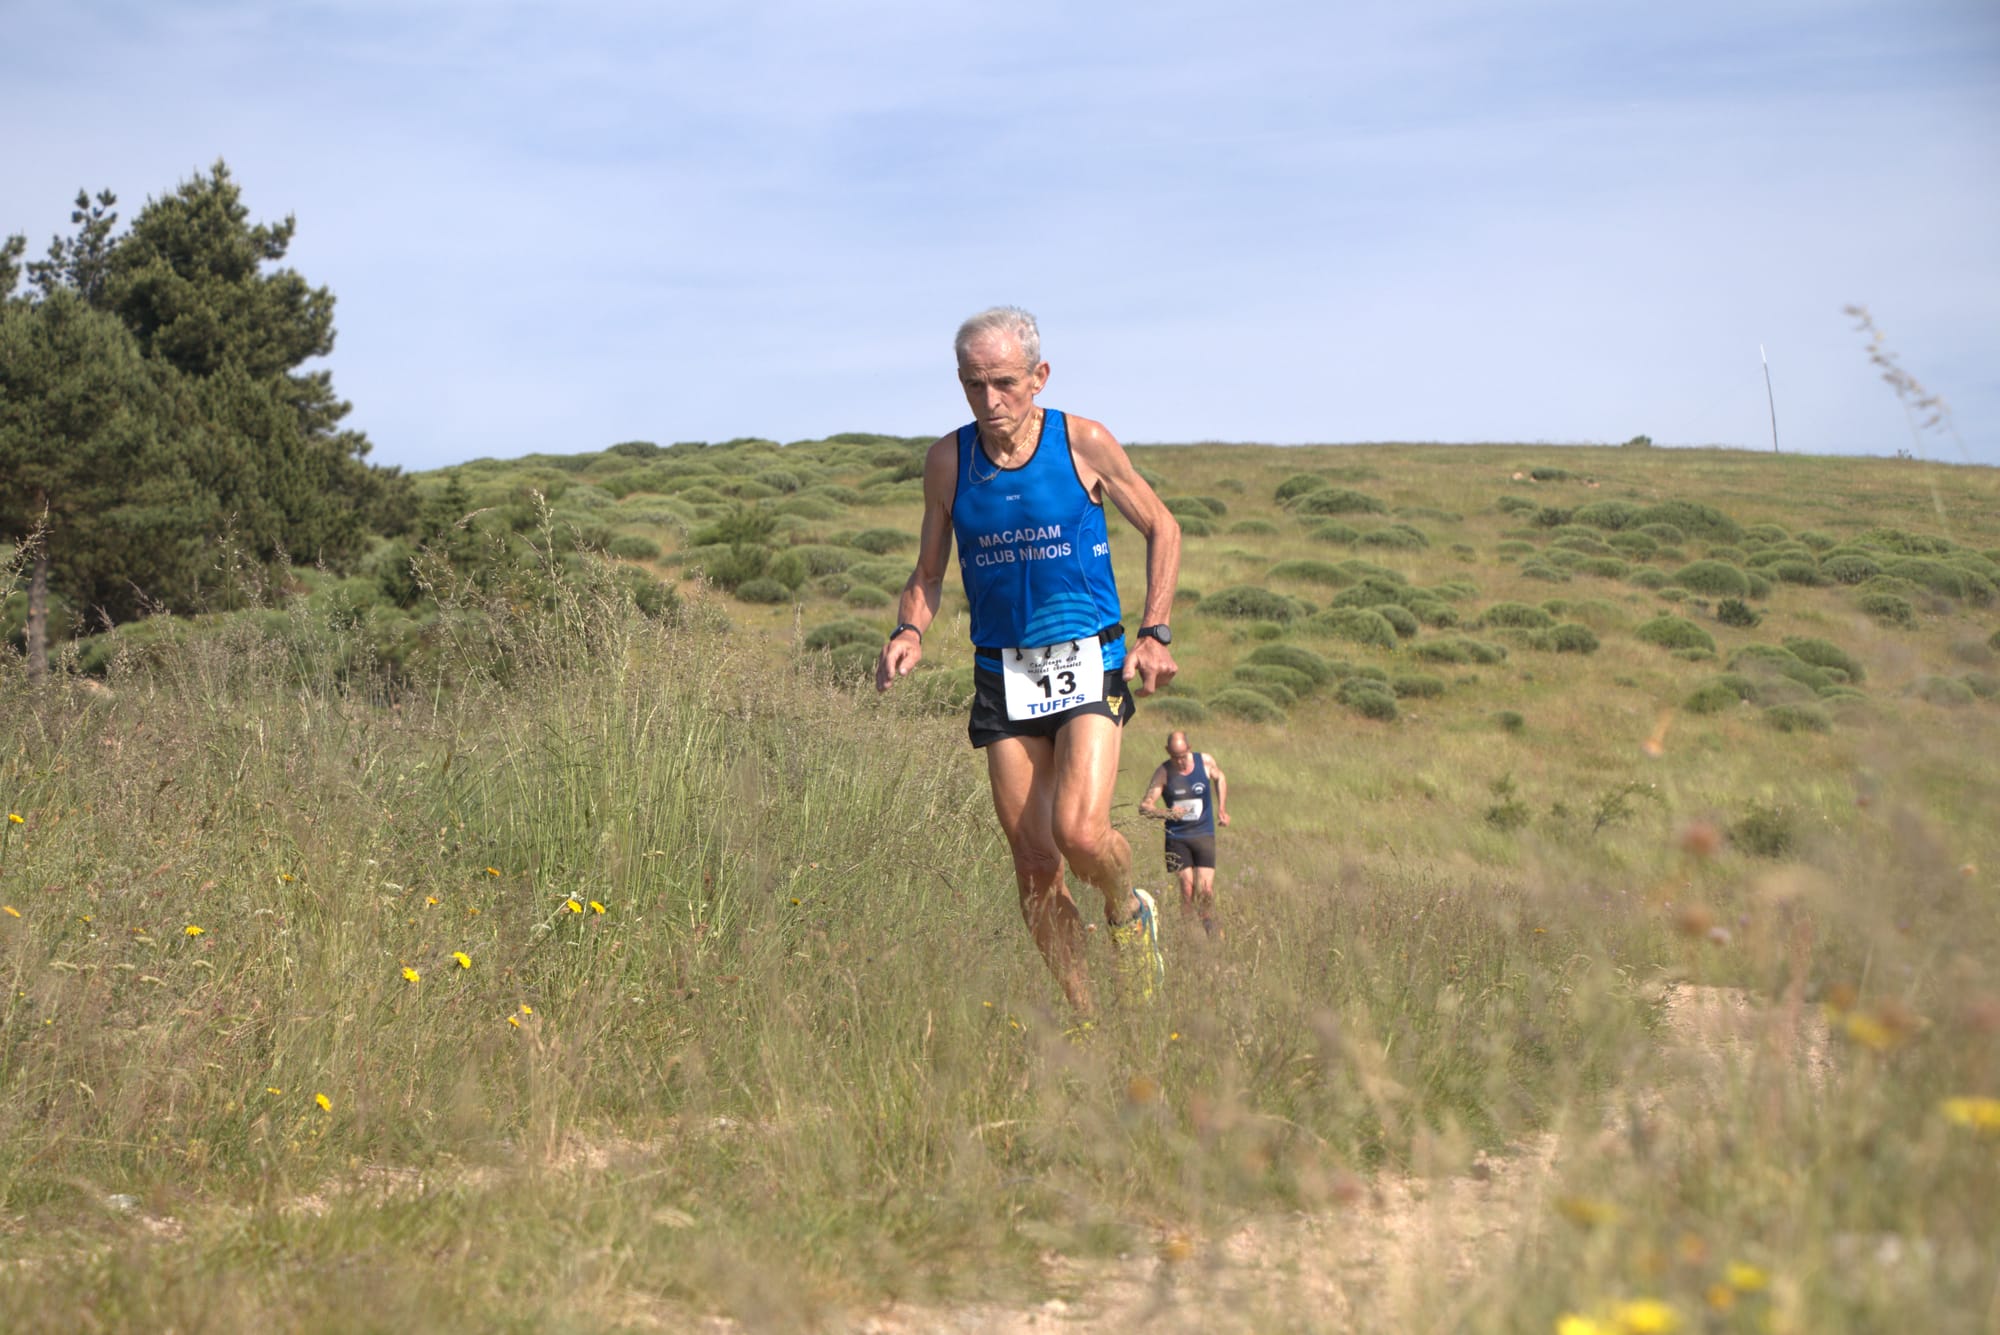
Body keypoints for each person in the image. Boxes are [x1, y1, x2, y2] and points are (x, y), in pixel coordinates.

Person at [875, 306, 1182, 1014]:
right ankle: (1086, 1016)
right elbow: (927, 573)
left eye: (1005, 383)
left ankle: (1125, 907)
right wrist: (910, 631)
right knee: (1037, 866)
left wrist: (1155, 631)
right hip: (1002, 671)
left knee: (1079, 832)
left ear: (1039, 377)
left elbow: (1162, 525)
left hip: (1087, 656)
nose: (990, 401)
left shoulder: (1082, 442)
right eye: (974, 385)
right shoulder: (949, 461)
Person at [1137, 731, 1229, 939]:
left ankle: (1210, 931)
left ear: (1189, 748)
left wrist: (1222, 808)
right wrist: (1166, 813)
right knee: (1187, 888)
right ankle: (1188, 935)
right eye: (1174, 756)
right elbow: (1145, 806)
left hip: (1204, 834)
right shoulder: (1164, 772)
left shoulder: (1204, 761)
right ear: (1167, 751)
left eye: (1183, 755)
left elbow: (1220, 777)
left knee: (1205, 890)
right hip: (1177, 838)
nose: (1179, 761)